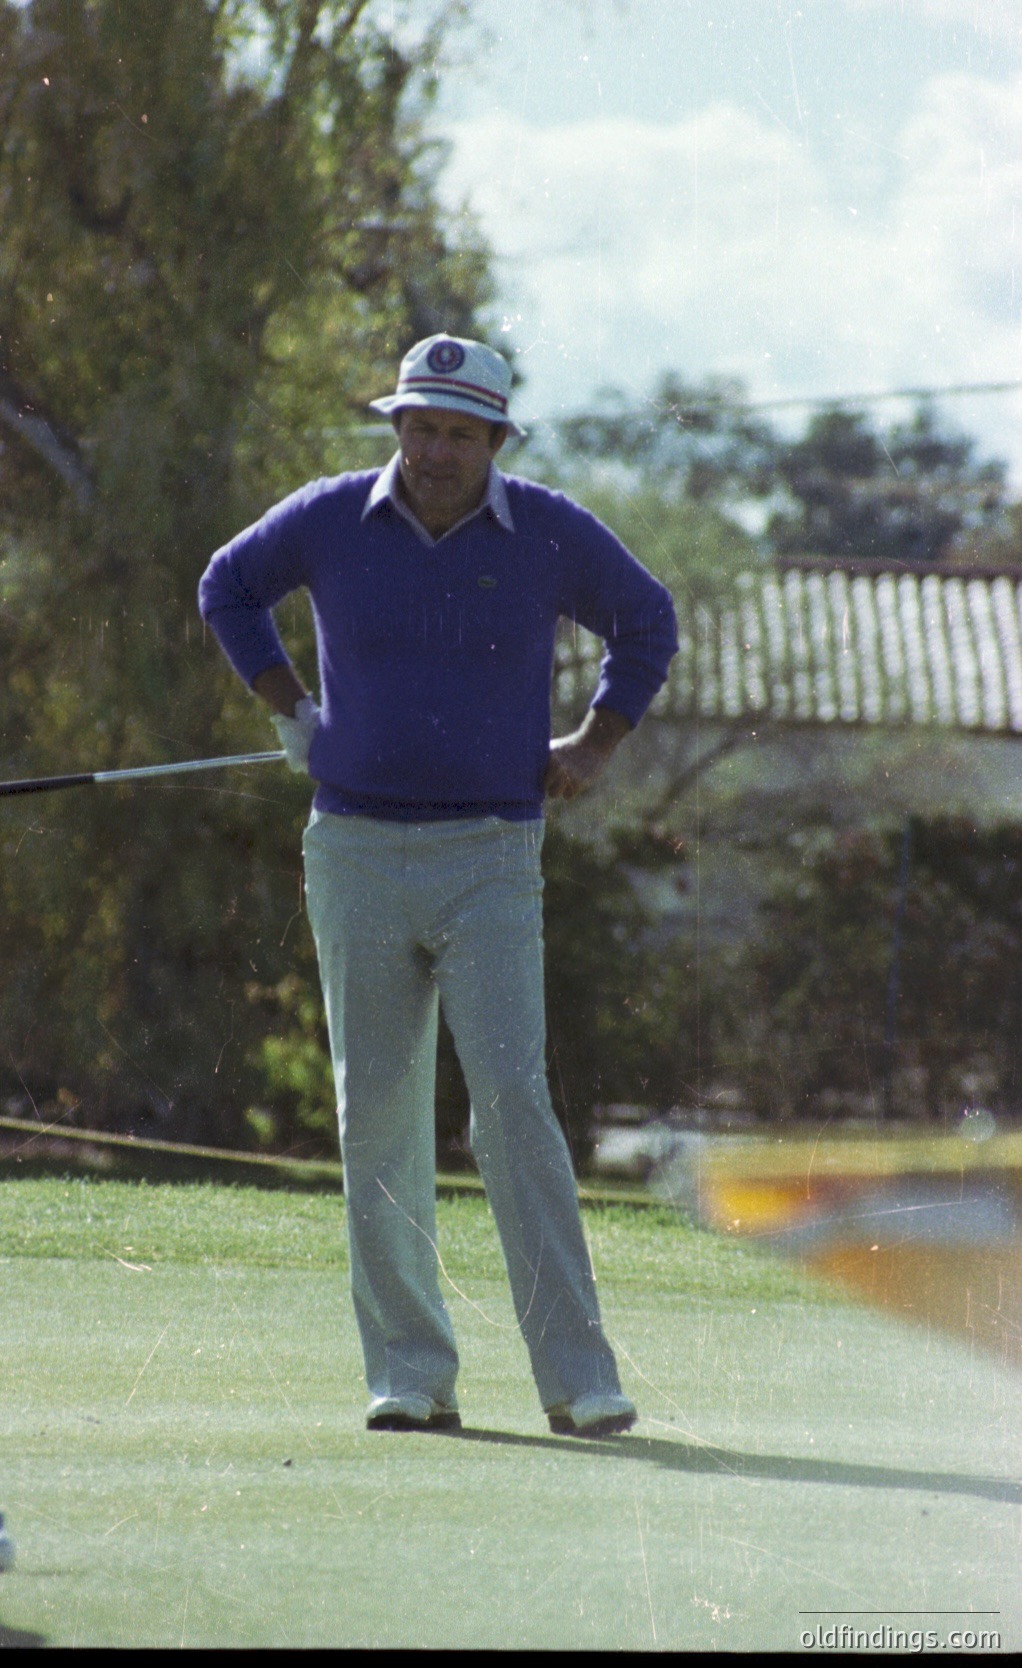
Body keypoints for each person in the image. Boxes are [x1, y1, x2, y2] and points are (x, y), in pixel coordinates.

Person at [198, 335, 678, 1437]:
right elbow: (228, 588)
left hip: (489, 855)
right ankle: (409, 1375)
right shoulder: (328, 515)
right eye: (418, 425)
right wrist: (288, 710)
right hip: (355, 848)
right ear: (396, 426)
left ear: (497, 440)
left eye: (460, 432)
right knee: (378, 1114)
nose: (435, 449)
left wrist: (597, 744)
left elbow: (645, 622)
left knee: (513, 1105)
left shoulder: (548, 529)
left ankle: (576, 1378)